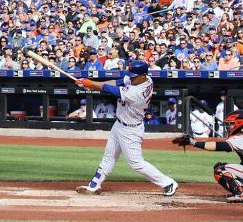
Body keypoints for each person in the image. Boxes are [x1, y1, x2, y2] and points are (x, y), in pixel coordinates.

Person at [73, 60, 178, 196]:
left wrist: (91, 84)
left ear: (143, 75)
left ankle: (168, 183)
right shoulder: (142, 79)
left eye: (134, 76)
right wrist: (91, 84)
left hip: (131, 129)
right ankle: (94, 185)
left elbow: (111, 89)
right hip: (119, 124)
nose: (131, 78)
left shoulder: (137, 92)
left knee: (136, 163)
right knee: (108, 156)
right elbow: (116, 82)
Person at [172, 110, 243, 202]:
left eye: (231, 124)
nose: (228, 127)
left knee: (220, 169)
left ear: (239, 123)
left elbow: (219, 146)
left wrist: (193, 142)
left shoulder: (239, 138)